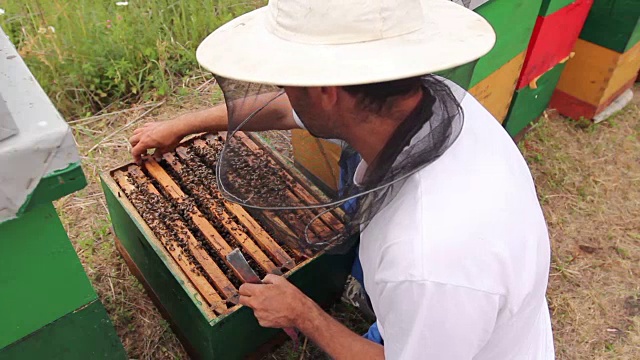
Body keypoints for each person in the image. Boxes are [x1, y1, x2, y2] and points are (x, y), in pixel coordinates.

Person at [130, 0, 554, 358]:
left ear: (326, 90)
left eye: (291, 81)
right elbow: (288, 110)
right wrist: (187, 124)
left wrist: (303, 314)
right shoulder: (421, 99)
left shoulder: (425, 260)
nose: (284, 89)